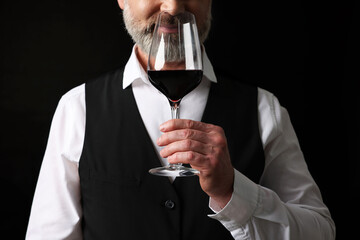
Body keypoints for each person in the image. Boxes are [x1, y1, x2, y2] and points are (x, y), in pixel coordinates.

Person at [26, 0, 335, 239]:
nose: (173, 7)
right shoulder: (76, 108)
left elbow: (321, 231)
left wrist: (232, 191)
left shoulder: (263, 109)